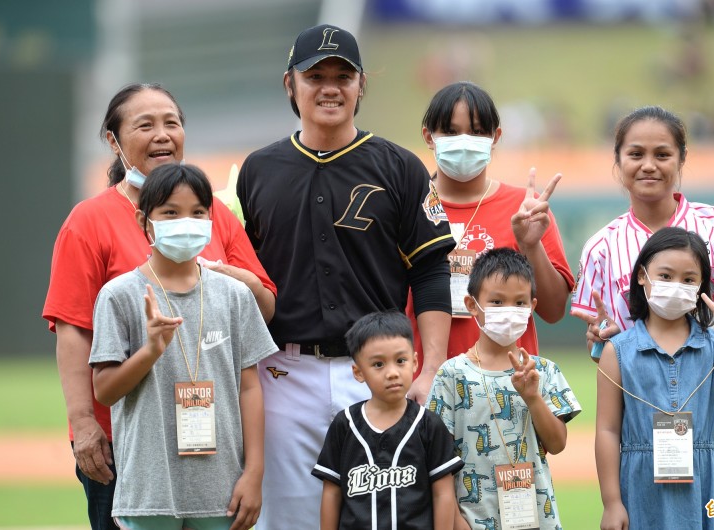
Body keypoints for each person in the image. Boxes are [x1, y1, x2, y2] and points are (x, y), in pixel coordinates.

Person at [237, 23, 455, 529]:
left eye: (343, 75)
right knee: (288, 517)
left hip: (377, 372)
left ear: (362, 86)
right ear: (290, 85)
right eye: (315, 75)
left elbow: (429, 270)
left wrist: (430, 368)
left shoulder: (400, 166)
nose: (330, 87)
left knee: (385, 518)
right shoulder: (258, 170)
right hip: (283, 373)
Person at [42, 83, 277, 530]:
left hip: (213, 449)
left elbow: (262, 306)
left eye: (172, 122)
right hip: (128, 443)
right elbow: (73, 328)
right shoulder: (89, 220)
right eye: (144, 124)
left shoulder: (215, 215)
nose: (162, 134)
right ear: (114, 141)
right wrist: (83, 423)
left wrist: (212, 272)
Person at [570, 105, 714, 526]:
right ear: (618, 160)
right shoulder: (601, 245)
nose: (648, 165)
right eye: (635, 153)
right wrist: (599, 344)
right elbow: (605, 342)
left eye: (662, 154)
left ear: (681, 159)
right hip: (644, 430)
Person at [89, 163, 278, 529]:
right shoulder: (118, 296)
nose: (185, 221)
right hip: (150, 492)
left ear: (211, 219)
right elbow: (105, 391)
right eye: (171, 213)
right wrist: (150, 351)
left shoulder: (235, 295)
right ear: (146, 222)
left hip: (221, 491)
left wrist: (254, 473)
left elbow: (250, 387)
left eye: (197, 212)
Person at [595, 227, 714, 529]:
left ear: (701, 286)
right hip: (641, 491)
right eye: (665, 275)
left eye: (688, 279)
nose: (676, 285)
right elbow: (607, 431)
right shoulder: (617, 351)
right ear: (641, 275)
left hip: (708, 486)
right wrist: (612, 503)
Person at [409, 81, 574, 373]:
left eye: (476, 131)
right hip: (422, 384)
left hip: (509, 389)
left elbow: (553, 310)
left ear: (495, 136)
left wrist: (530, 245)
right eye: (450, 131)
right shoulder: (408, 207)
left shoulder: (525, 208)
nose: (463, 140)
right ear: (429, 136)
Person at [427, 247, 581, 530]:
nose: (509, 311)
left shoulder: (544, 372)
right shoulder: (451, 375)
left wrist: (533, 397)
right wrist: (456, 522)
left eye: (520, 303)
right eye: (496, 302)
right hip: (470, 520)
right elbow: (437, 459)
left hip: (536, 519)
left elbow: (557, 444)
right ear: (472, 305)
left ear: (532, 306)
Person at [311, 311, 464, 530]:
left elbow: (443, 493)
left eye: (400, 361)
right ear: (358, 372)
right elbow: (332, 492)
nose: (392, 373)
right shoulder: (345, 424)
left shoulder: (429, 424)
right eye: (378, 365)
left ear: (414, 362)